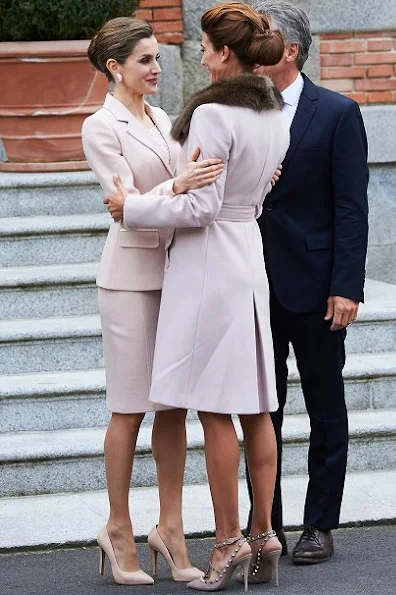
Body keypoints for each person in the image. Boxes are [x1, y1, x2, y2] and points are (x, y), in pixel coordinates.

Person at [104, 2, 290, 591]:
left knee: (215, 408)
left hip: (210, 260)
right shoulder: (275, 113)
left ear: (224, 54)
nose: (200, 55)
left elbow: (200, 207)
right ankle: (265, 535)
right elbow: (253, 197)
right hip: (248, 254)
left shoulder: (212, 113)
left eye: (205, 48)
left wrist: (132, 207)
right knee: (257, 404)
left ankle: (228, 544)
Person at [81, 16, 224, 585]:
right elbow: (126, 205)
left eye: (159, 59)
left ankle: (170, 527)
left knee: (173, 407)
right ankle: (118, 528)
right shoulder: (100, 125)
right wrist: (180, 186)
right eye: (145, 60)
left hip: (177, 274)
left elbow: (180, 185)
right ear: (115, 67)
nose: (157, 69)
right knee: (129, 408)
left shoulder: (165, 118)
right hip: (128, 278)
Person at [247, 0, 370, 565]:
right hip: (249, 285)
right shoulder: (237, 109)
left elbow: (351, 208)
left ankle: (319, 524)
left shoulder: (338, 113)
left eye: (260, 38)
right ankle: (261, 526)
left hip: (319, 289)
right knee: (258, 411)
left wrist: (346, 286)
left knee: (325, 407)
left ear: (288, 51)